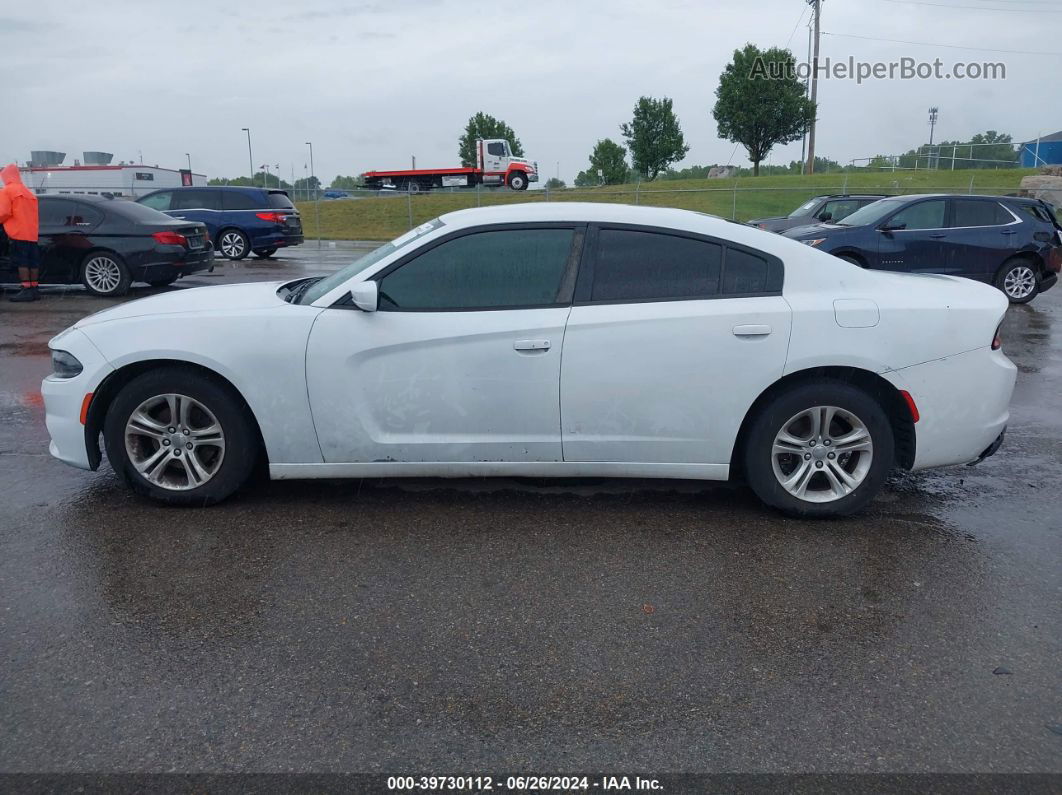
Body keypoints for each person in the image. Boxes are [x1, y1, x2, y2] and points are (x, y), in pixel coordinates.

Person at [0, 163, 40, 302]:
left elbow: (3, 212)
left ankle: (26, 289)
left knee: (22, 262)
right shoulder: (28, 192)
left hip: (17, 232)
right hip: (32, 233)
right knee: (32, 262)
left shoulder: (7, 191)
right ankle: (34, 289)